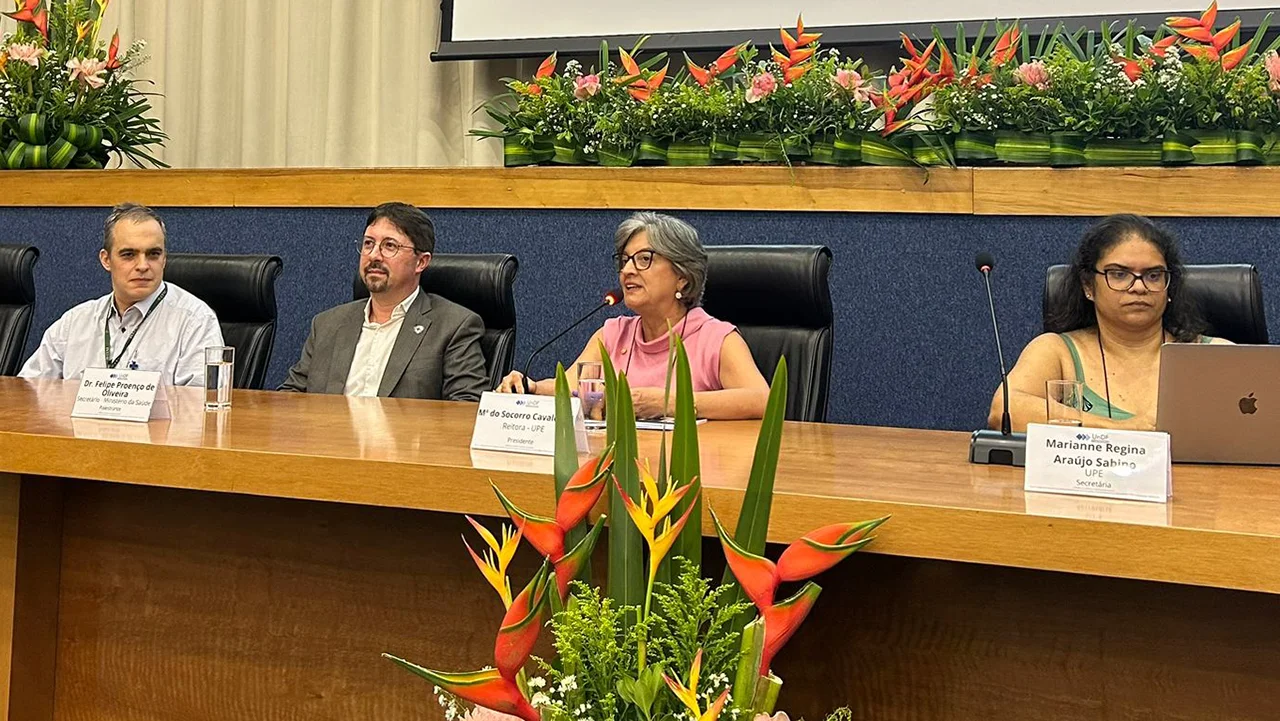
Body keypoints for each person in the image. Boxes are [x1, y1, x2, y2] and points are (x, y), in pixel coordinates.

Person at [496, 212, 769, 420]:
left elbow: (762, 400)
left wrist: (666, 403)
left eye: (644, 259)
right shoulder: (613, 334)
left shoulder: (716, 339)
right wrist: (529, 388)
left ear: (683, 279)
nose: (627, 270)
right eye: (624, 260)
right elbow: (569, 389)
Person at [991, 213, 1229, 432]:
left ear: (1169, 287)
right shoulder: (1057, 351)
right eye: (1119, 274)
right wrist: (1119, 429)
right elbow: (1004, 411)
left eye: (1153, 275)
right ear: (1088, 286)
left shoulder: (1214, 354)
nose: (1138, 287)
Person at [280, 202, 487, 401]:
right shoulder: (327, 324)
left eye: (389, 246)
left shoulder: (454, 327)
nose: (374, 255)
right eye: (368, 243)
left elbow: (465, 409)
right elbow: (291, 396)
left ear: (421, 262)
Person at [20, 203, 224, 385]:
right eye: (129, 255)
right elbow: (25, 392)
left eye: (153, 254)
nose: (143, 266)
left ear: (164, 259)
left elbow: (201, 408)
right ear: (106, 260)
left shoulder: (195, 321)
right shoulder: (74, 323)